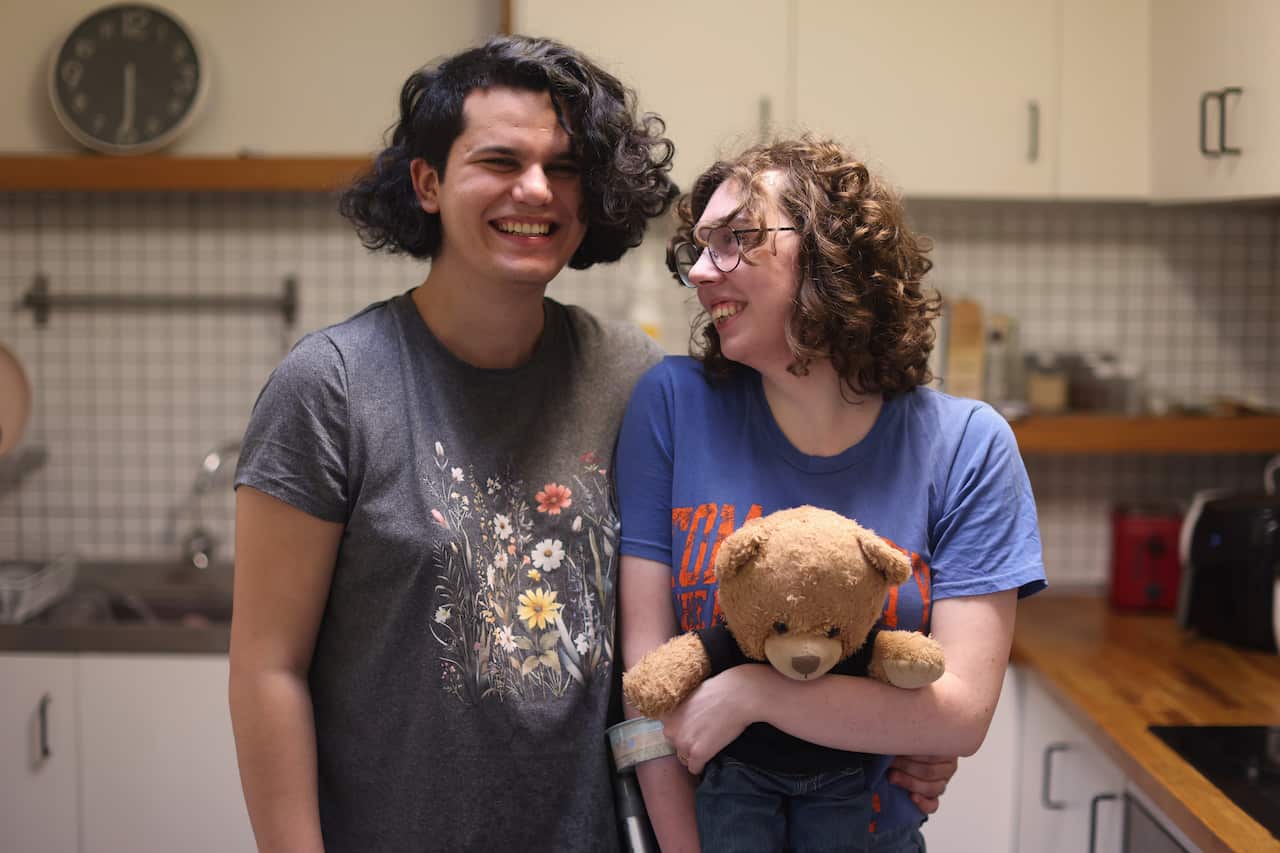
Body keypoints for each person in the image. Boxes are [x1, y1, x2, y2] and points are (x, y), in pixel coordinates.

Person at [228, 35, 678, 852]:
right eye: (500, 161)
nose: (537, 189)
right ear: (429, 182)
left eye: (565, 166)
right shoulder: (332, 387)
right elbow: (267, 670)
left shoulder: (634, 378)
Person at [616, 137, 1047, 852]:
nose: (698, 271)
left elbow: (959, 714)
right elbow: (646, 683)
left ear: (830, 254)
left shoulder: (968, 445)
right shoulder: (672, 406)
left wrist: (754, 693)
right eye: (699, 246)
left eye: (736, 240)